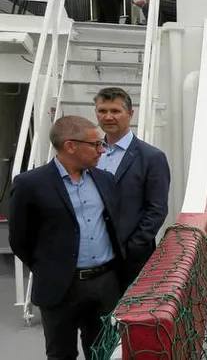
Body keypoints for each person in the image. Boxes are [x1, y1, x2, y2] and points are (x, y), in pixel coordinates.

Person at [9, 116, 126, 359]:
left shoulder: (105, 179)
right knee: (61, 353)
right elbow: (20, 239)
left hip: (105, 284)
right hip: (60, 286)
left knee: (104, 352)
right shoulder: (30, 184)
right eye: (95, 144)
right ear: (70, 145)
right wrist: (50, 268)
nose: (102, 150)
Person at [94, 87, 170, 289]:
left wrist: (133, 247)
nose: (108, 117)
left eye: (116, 111)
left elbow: (157, 209)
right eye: (102, 111)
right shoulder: (89, 154)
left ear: (130, 114)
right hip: (92, 258)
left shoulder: (152, 158)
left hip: (131, 259)